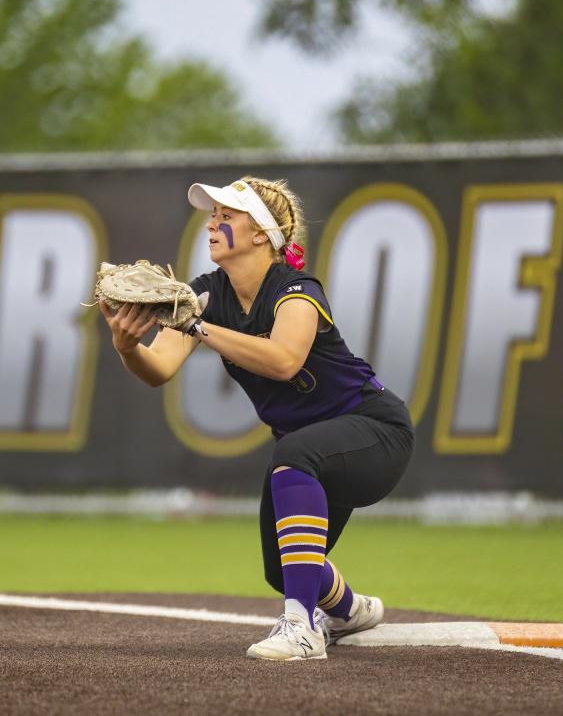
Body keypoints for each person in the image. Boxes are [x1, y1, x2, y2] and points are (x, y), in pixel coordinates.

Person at [98, 176, 414, 659]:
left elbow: (284, 360)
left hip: (375, 434)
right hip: (313, 450)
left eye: (227, 216)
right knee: (283, 569)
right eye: (213, 214)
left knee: (294, 453)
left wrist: (198, 327)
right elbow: (159, 368)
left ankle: (303, 630)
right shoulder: (204, 295)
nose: (212, 222)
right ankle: (350, 611)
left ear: (261, 234)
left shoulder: (296, 290)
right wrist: (126, 347)